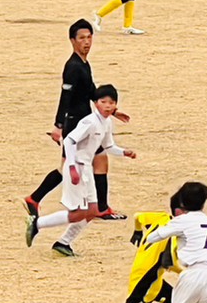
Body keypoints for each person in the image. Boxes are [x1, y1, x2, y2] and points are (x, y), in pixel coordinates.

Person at [24, 19, 130, 223]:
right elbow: (66, 97)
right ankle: (100, 207)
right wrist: (58, 126)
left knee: (92, 162)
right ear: (72, 40)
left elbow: (91, 90)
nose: (87, 42)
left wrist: (113, 111)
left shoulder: (83, 63)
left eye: (89, 37)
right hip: (76, 124)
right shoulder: (73, 66)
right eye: (82, 38)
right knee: (80, 165)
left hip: (82, 122)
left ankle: (36, 199)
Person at [72, 195, 181, 303]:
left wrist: (138, 231)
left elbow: (138, 216)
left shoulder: (162, 218)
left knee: (177, 301)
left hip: (147, 276)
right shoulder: (174, 234)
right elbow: (170, 262)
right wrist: (188, 272)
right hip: (145, 285)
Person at [26, 85, 137, 256]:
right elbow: (70, 140)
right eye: (103, 102)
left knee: (93, 211)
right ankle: (38, 224)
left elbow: (108, 146)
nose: (108, 106)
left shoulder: (106, 122)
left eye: (112, 102)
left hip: (86, 168)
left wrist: (124, 152)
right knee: (78, 213)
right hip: (77, 167)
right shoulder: (89, 122)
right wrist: (71, 167)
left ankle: (64, 243)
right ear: (95, 103)